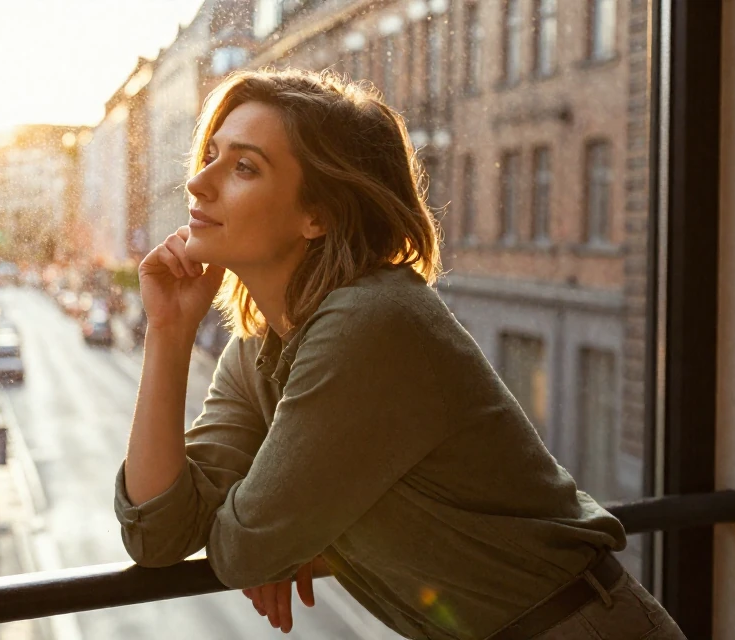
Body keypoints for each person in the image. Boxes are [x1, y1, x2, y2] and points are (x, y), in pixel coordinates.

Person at [114, 69, 685, 640]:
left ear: (319, 214)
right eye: (209, 155)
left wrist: (286, 535)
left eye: (243, 166)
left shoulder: (369, 321)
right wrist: (168, 331)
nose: (198, 183)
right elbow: (156, 536)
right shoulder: (256, 351)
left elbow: (242, 550)